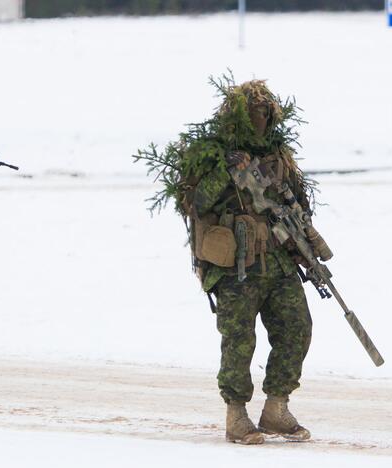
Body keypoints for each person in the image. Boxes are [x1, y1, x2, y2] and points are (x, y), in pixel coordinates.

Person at [136, 77, 318, 444]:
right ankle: (236, 415)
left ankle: (276, 408)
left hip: (279, 263)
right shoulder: (215, 157)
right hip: (237, 267)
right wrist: (226, 170)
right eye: (254, 112)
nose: (260, 119)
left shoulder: (276, 157)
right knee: (239, 341)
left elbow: (300, 205)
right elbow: (199, 203)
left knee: (297, 328)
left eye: (266, 112)